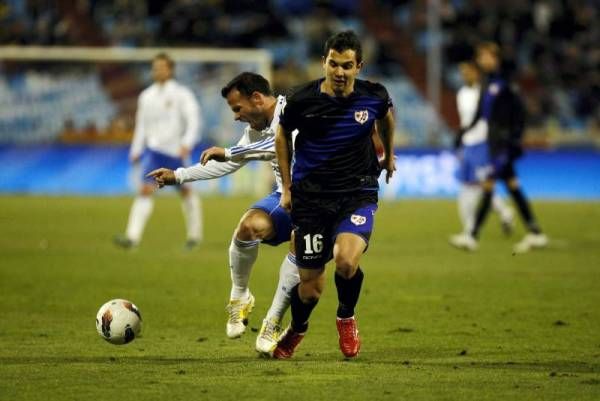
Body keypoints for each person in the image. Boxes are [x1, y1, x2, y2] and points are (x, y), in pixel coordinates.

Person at [147, 72, 300, 355]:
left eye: (237, 108)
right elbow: (232, 161)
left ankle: (273, 320)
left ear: (256, 98)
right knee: (248, 227)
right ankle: (240, 296)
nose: (236, 117)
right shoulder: (256, 128)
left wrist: (229, 152)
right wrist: (179, 175)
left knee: (302, 252)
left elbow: (278, 145)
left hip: (320, 200)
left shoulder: (294, 108)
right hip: (286, 196)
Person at [273, 30, 395, 359]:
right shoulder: (301, 99)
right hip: (311, 199)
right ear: (323, 62)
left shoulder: (374, 95)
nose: (339, 72)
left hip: (357, 191)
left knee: (345, 259)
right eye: (333, 64)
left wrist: (390, 155)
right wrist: (286, 186)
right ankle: (297, 328)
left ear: (359, 66)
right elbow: (282, 135)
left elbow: (386, 119)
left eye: (347, 65)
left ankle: (346, 316)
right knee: (310, 288)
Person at [451, 43, 547, 253]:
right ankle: (535, 232)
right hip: (494, 145)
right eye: (481, 57)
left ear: (496, 59)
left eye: (488, 57)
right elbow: (479, 114)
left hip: (503, 145)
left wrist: (515, 139)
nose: (484, 60)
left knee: (488, 186)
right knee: (512, 187)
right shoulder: (486, 84)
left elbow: (519, 113)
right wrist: (462, 133)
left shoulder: (504, 83)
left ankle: (472, 236)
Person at [114, 53, 203, 250]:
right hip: (154, 152)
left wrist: (187, 142)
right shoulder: (146, 96)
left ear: (170, 70)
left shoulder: (182, 94)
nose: (158, 71)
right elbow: (141, 125)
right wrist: (136, 148)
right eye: (155, 68)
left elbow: (194, 119)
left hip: (177, 152)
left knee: (187, 192)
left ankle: (194, 236)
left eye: (161, 67)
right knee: (145, 191)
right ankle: (132, 238)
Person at [449, 61, 514, 251]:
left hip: (482, 144)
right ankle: (497, 216)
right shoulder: (461, 93)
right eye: (462, 72)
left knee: (479, 187)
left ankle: (472, 230)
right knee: (471, 187)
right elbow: (465, 121)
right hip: (468, 144)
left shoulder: (484, 92)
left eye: (468, 72)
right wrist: (461, 140)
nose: (464, 75)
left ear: (476, 73)